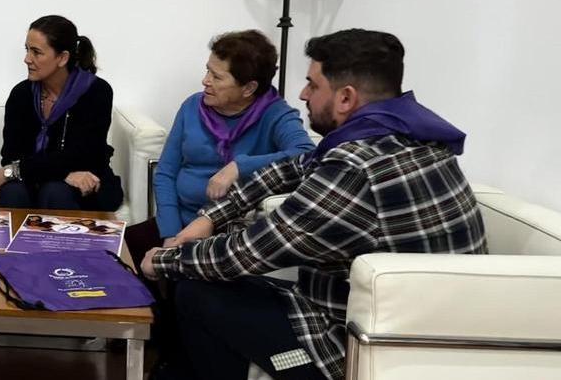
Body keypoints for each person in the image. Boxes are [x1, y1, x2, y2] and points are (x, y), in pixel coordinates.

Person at [143, 29, 487, 380]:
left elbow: (247, 253)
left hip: (359, 345)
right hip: (393, 325)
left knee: (197, 291)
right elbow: (291, 168)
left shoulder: (353, 170)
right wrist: (210, 218)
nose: (303, 94)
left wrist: (164, 260)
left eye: (312, 84)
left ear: (345, 97)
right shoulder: (413, 137)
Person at [126, 30, 313, 267]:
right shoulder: (192, 106)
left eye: (216, 77)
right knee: (109, 252)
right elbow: (166, 173)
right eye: (207, 71)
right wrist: (170, 234)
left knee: (178, 280)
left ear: (248, 88)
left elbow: (306, 154)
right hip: (177, 222)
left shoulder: (276, 114)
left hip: (229, 236)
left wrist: (239, 166)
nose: (205, 81)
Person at [0, 15, 123, 212]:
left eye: (36, 52)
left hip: (88, 180)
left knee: (55, 191)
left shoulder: (96, 91)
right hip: (35, 180)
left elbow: (85, 156)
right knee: (12, 192)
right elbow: (11, 156)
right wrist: (64, 174)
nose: (27, 59)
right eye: (27, 49)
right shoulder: (21, 94)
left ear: (62, 58)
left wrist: (13, 171)